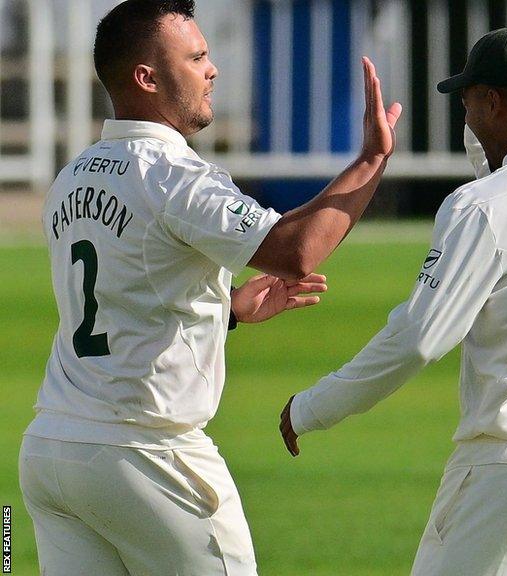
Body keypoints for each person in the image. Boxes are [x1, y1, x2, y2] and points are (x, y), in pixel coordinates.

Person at [18, 0, 401, 574]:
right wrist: (370, 160)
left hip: (53, 452)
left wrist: (224, 313)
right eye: (196, 57)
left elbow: (122, 300)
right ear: (146, 78)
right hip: (149, 455)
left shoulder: (72, 176)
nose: (212, 69)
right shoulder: (172, 175)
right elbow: (296, 251)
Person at [279, 25, 507, 576]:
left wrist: (313, 407)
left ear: (494, 102)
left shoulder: (481, 206)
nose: (466, 119)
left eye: (470, 103)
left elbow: (419, 339)